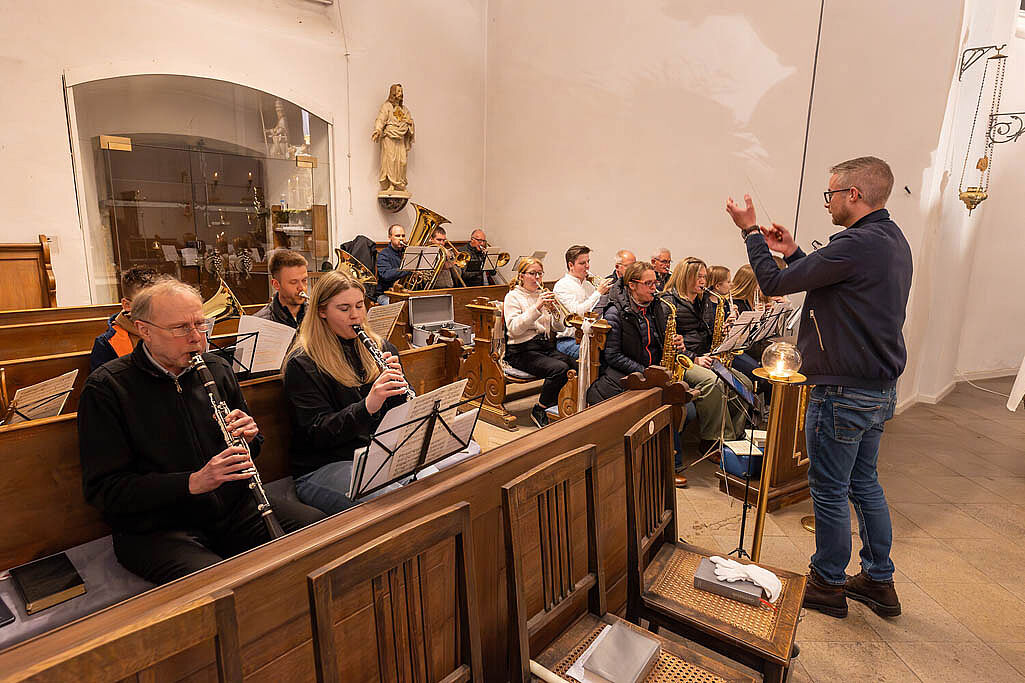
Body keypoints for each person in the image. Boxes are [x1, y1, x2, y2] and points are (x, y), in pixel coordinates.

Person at [726, 155, 912, 620]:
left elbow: (771, 283)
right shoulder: (891, 241)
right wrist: (792, 251)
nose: (826, 202)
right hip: (877, 387)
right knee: (863, 483)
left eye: (830, 193)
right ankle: (878, 578)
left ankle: (828, 583)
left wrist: (749, 233)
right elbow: (830, 282)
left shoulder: (854, 242)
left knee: (828, 489)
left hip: (843, 392)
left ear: (854, 194)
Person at [78, 278, 301, 585]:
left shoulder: (216, 368)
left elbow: (252, 448)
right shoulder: (107, 388)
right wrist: (193, 482)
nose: (198, 338)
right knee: (220, 587)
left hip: (233, 509)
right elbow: (105, 491)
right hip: (156, 529)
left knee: (321, 534)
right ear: (144, 330)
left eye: (201, 324)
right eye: (182, 328)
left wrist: (250, 438)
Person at [283, 271, 412, 515]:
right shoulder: (303, 363)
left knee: (434, 480)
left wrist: (401, 391)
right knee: (394, 501)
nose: (356, 316)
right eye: (344, 308)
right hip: (323, 464)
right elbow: (317, 434)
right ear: (322, 311)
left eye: (359, 306)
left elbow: (400, 415)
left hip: (375, 453)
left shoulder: (382, 347)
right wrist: (368, 406)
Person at [660, 258, 750, 458]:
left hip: (706, 356)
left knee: (745, 384)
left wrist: (726, 330)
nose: (703, 281)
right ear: (686, 277)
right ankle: (714, 441)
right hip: (681, 361)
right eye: (699, 277)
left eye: (704, 277)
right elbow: (667, 342)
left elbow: (708, 334)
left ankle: (734, 437)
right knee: (713, 382)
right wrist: (696, 358)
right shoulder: (668, 302)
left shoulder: (704, 301)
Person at [503, 258, 572, 429]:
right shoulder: (513, 297)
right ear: (521, 276)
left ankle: (559, 405)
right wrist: (538, 307)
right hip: (521, 350)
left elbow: (557, 327)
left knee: (573, 364)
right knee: (558, 369)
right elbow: (514, 329)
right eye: (532, 274)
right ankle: (540, 408)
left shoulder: (542, 296)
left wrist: (556, 314)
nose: (537, 278)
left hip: (544, 347)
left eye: (540, 274)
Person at [90, 266, 160, 372]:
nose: (155, 309)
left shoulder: (175, 329)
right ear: (127, 305)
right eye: (144, 303)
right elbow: (102, 385)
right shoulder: (106, 344)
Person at [553, 245, 610, 359]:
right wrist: (598, 293)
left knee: (615, 349)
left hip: (589, 336)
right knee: (602, 355)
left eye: (588, 262)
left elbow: (596, 311)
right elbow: (577, 314)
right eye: (582, 263)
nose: (587, 267)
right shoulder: (562, 285)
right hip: (569, 340)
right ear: (571, 265)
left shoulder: (587, 285)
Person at [372, 84, 415, 193]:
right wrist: (377, 130)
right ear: (393, 93)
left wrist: (410, 123)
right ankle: (391, 184)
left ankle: (399, 183)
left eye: (401, 91)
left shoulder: (404, 109)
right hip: (390, 136)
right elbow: (381, 119)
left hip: (400, 137)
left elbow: (410, 120)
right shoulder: (387, 107)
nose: (401, 94)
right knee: (390, 160)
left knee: (402, 161)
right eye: (399, 91)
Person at [254, 250, 308, 329]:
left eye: (304, 280)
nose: (301, 287)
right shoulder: (260, 322)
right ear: (276, 285)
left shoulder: (317, 315)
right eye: (293, 282)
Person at [376, 224, 409, 302]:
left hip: (405, 293)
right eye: (397, 236)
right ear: (390, 237)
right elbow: (386, 274)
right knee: (400, 307)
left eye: (403, 236)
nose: (401, 238)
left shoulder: (408, 253)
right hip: (385, 295)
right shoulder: (383, 254)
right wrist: (408, 270)